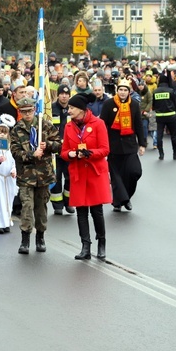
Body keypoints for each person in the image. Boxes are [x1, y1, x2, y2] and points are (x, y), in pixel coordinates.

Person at [61, 92, 111, 260]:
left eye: (72, 107)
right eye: (69, 107)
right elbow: (64, 152)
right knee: (81, 211)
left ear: (82, 109)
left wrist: (90, 153)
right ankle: (85, 246)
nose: (69, 110)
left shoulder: (98, 124)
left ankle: (101, 243)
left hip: (95, 172)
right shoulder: (69, 127)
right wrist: (73, 154)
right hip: (78, 173)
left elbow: (105, 149)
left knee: (97, 211)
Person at [10, 97, 61, 255]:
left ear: (34, 110)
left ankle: (40, 236)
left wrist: (49, 146)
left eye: (30, 111)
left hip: (43, 175)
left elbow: (59, 143)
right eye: (24, 112)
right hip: (26, 175)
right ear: (20, 112)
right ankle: (25, 239)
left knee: (41, 209)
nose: (27, 114)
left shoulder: (44, 125)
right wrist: (32, 154)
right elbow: (15, 152)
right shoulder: (17, 130)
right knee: (27, 207)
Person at [100, 79, 145, 213]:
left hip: (130, 144)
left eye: (125, 90)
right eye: (121, 90)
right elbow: (102, 125)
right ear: (116, 90)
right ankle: (118, 202)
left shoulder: (135, 105)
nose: (123, 92)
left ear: (129, 91)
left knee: (134, 171)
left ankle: (126, 197)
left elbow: (138, 125)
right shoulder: (109, 104)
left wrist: (142, 144)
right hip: (113, 145)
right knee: (116, 176)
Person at [50, 84, 74, 215]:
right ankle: (57, 205)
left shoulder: (73, 109)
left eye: (66, 94)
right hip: (55, 151)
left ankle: (69, 202)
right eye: (62, 94)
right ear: (58, 95)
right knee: (56, 178)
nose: (64, 96)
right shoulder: (51, 108)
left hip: (70, 151)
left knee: (70, 177)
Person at [152, 73, 176, 161]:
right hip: (171, 116)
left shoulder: (155, 91)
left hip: (160, 116)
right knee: (173, 136)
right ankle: (175, 154)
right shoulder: (170, 91)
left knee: (159, 136)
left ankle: (161, 154)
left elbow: (153, 105)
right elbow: (175, 104)